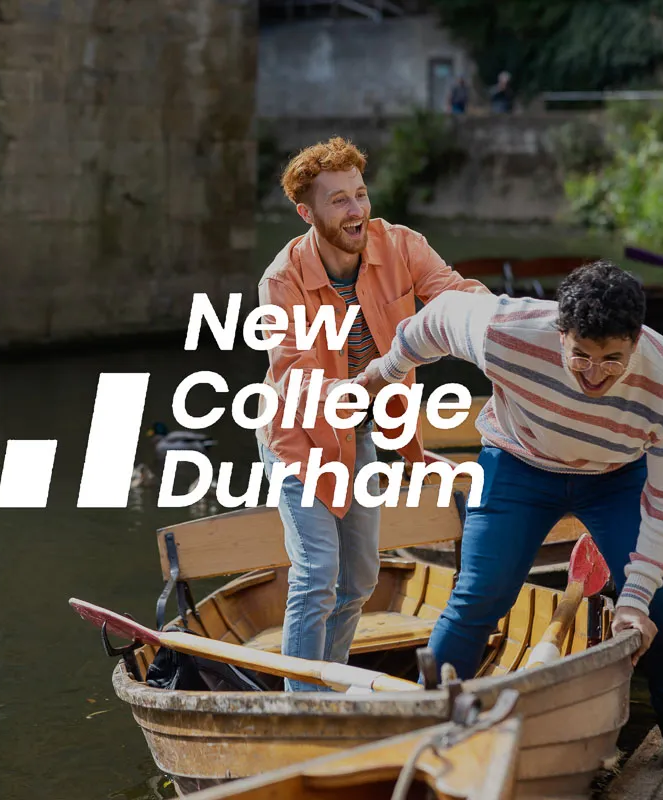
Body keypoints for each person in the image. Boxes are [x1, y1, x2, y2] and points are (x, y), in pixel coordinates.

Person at [360, 261, 663, 767]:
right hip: (517, 462)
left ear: (637, 341)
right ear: (560, 333)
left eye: (613, 359)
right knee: (481, 593)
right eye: (582, 357)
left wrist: (634, 597)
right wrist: (387, 369)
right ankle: (428, 716)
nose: (595, 374)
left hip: (615, 476)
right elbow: (435, 319)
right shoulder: (505, 331)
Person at [256, 137, 491, 692]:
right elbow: (295, 372)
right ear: (306, 212)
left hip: (359, 437)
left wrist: (505, 321)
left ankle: (326, 684)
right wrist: (367, 386)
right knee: (316, 574)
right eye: (338, 201)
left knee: (358, 580)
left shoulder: (402, 246)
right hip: (300, 437)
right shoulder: (281, 280)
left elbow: (455, 296)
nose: (356, 210)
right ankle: (301, 706)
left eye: (359, 194)